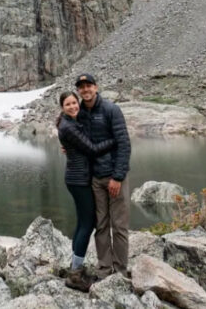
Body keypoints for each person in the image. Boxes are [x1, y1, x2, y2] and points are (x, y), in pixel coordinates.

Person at [55, 89, 116, 292]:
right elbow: (91, 149)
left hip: (79, 177)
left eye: (74, 103)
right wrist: (113, 141)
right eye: (68, 104)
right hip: (78, 180)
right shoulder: (68, 127)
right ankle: (75, 274)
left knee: (83, 221)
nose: (73, 106)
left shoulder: (71, 122)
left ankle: (75, 267)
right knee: (87, 223)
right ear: (62, 108)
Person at [75, 72, 131, 279]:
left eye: (89, 86)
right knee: (101, 225)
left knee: (119, 226)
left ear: (96, 87)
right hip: (95, 178)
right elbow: (71, 132)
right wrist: (67, 147)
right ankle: (104, 269)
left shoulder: (111, 109)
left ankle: (121, 270)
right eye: (81, 87)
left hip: (114, 176)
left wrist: (117, 177)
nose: (85, 90)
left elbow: (124, 144)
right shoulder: (79, 112)